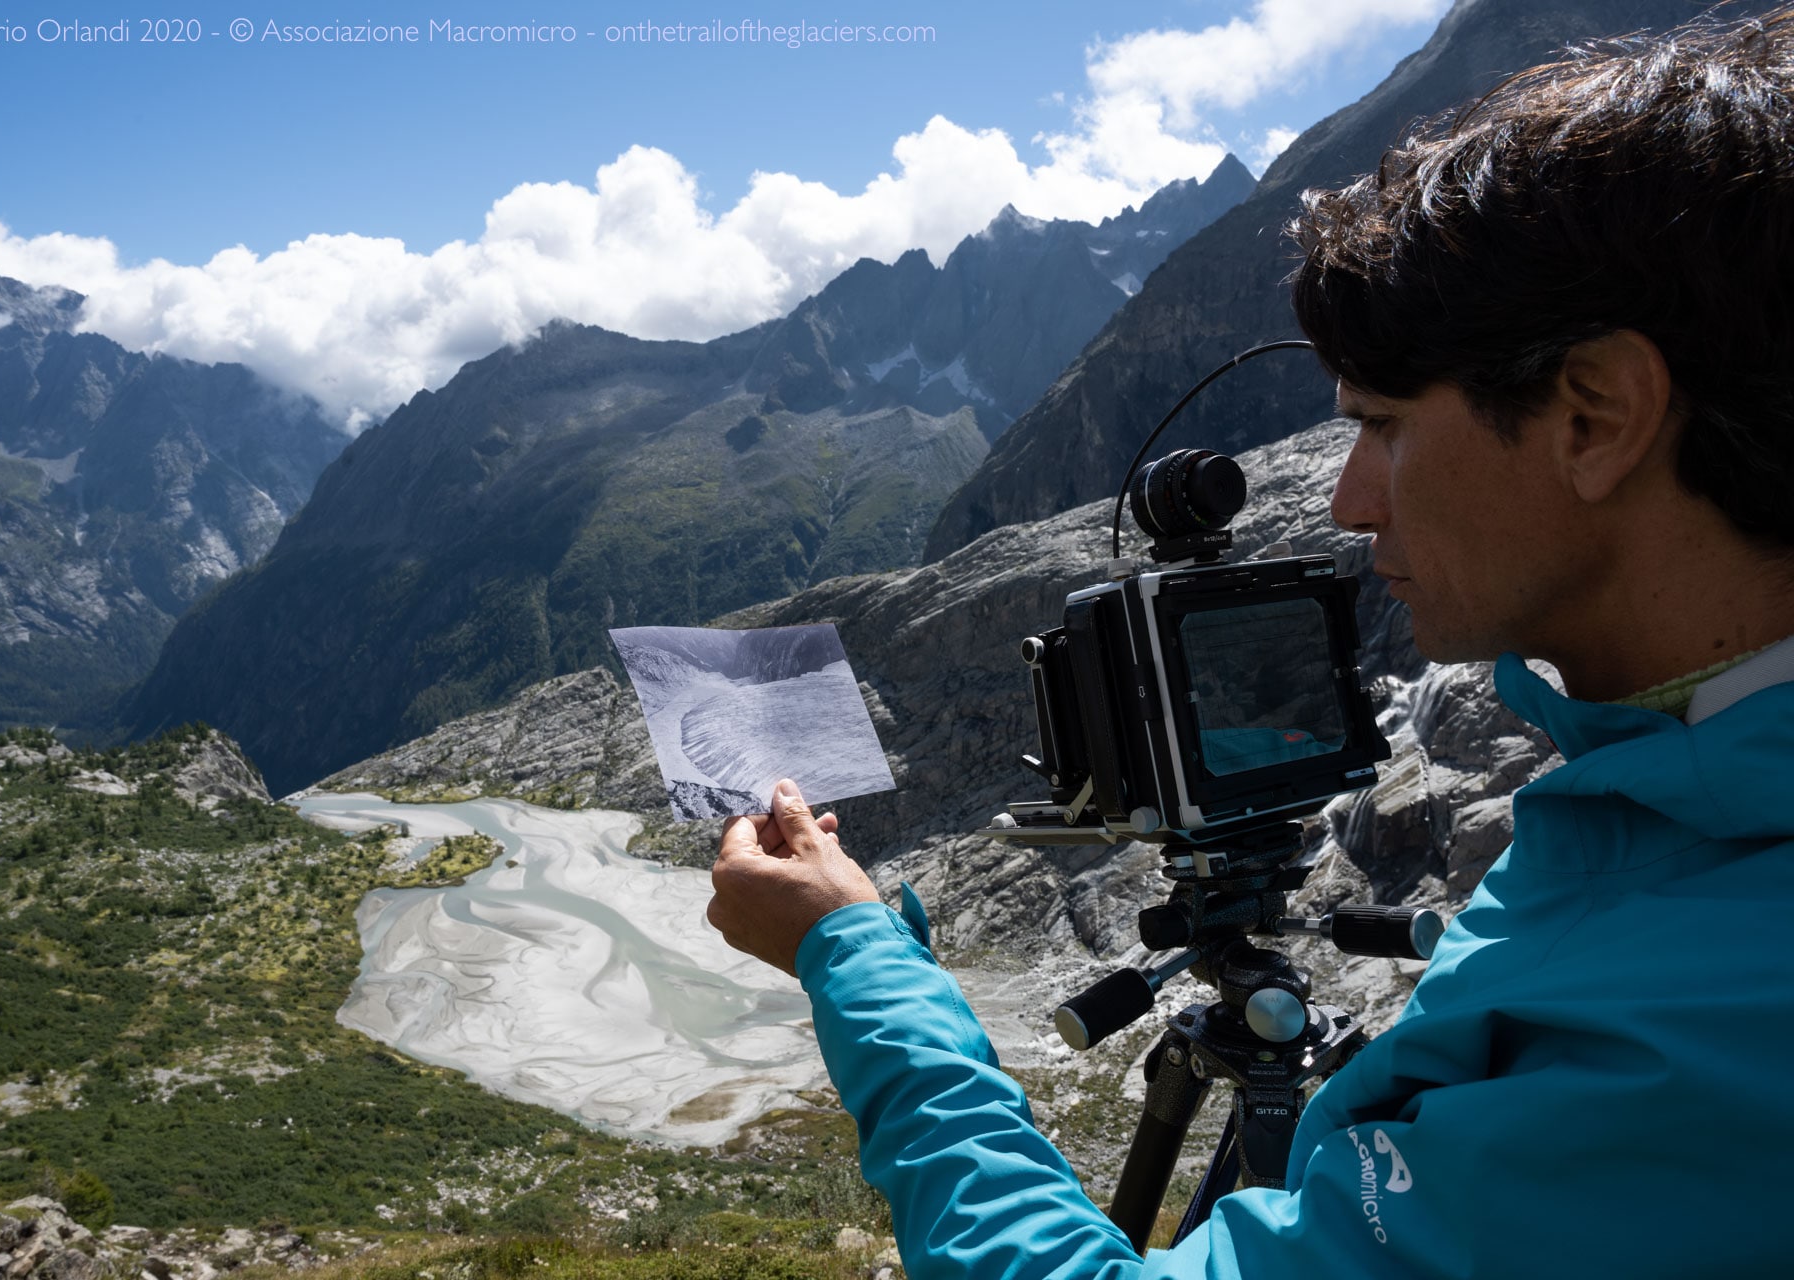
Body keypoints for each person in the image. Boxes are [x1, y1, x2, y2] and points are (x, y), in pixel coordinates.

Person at [705, 7, 1794, 1277]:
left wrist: (854, 958)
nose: (1347, 499)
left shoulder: (1695, 1029)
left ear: (1598, 413)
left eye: (1382, 424)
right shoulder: (1671, 801)